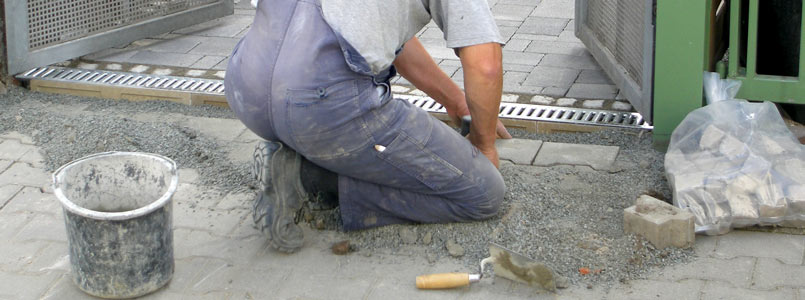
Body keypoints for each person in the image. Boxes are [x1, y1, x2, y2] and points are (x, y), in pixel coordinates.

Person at [224, 0, 512, 253]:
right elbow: (485, 65)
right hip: (319, 104)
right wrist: (483, 143)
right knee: (483, 193)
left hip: (245, 86)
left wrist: (457, 102)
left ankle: (297, 149)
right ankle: (305, 177)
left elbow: (374, 28)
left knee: (312, 119)